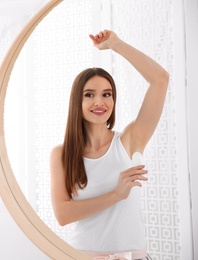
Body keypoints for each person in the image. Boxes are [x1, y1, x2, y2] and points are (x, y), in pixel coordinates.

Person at [50, 30, 169, 259]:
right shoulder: (61, 154)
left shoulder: (130, 139)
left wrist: (116, 44)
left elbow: (160, 80)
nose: (99, 102)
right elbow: (63, 215)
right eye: (89, 94)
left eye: (107, 94)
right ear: (77, 101)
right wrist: (117, 194)